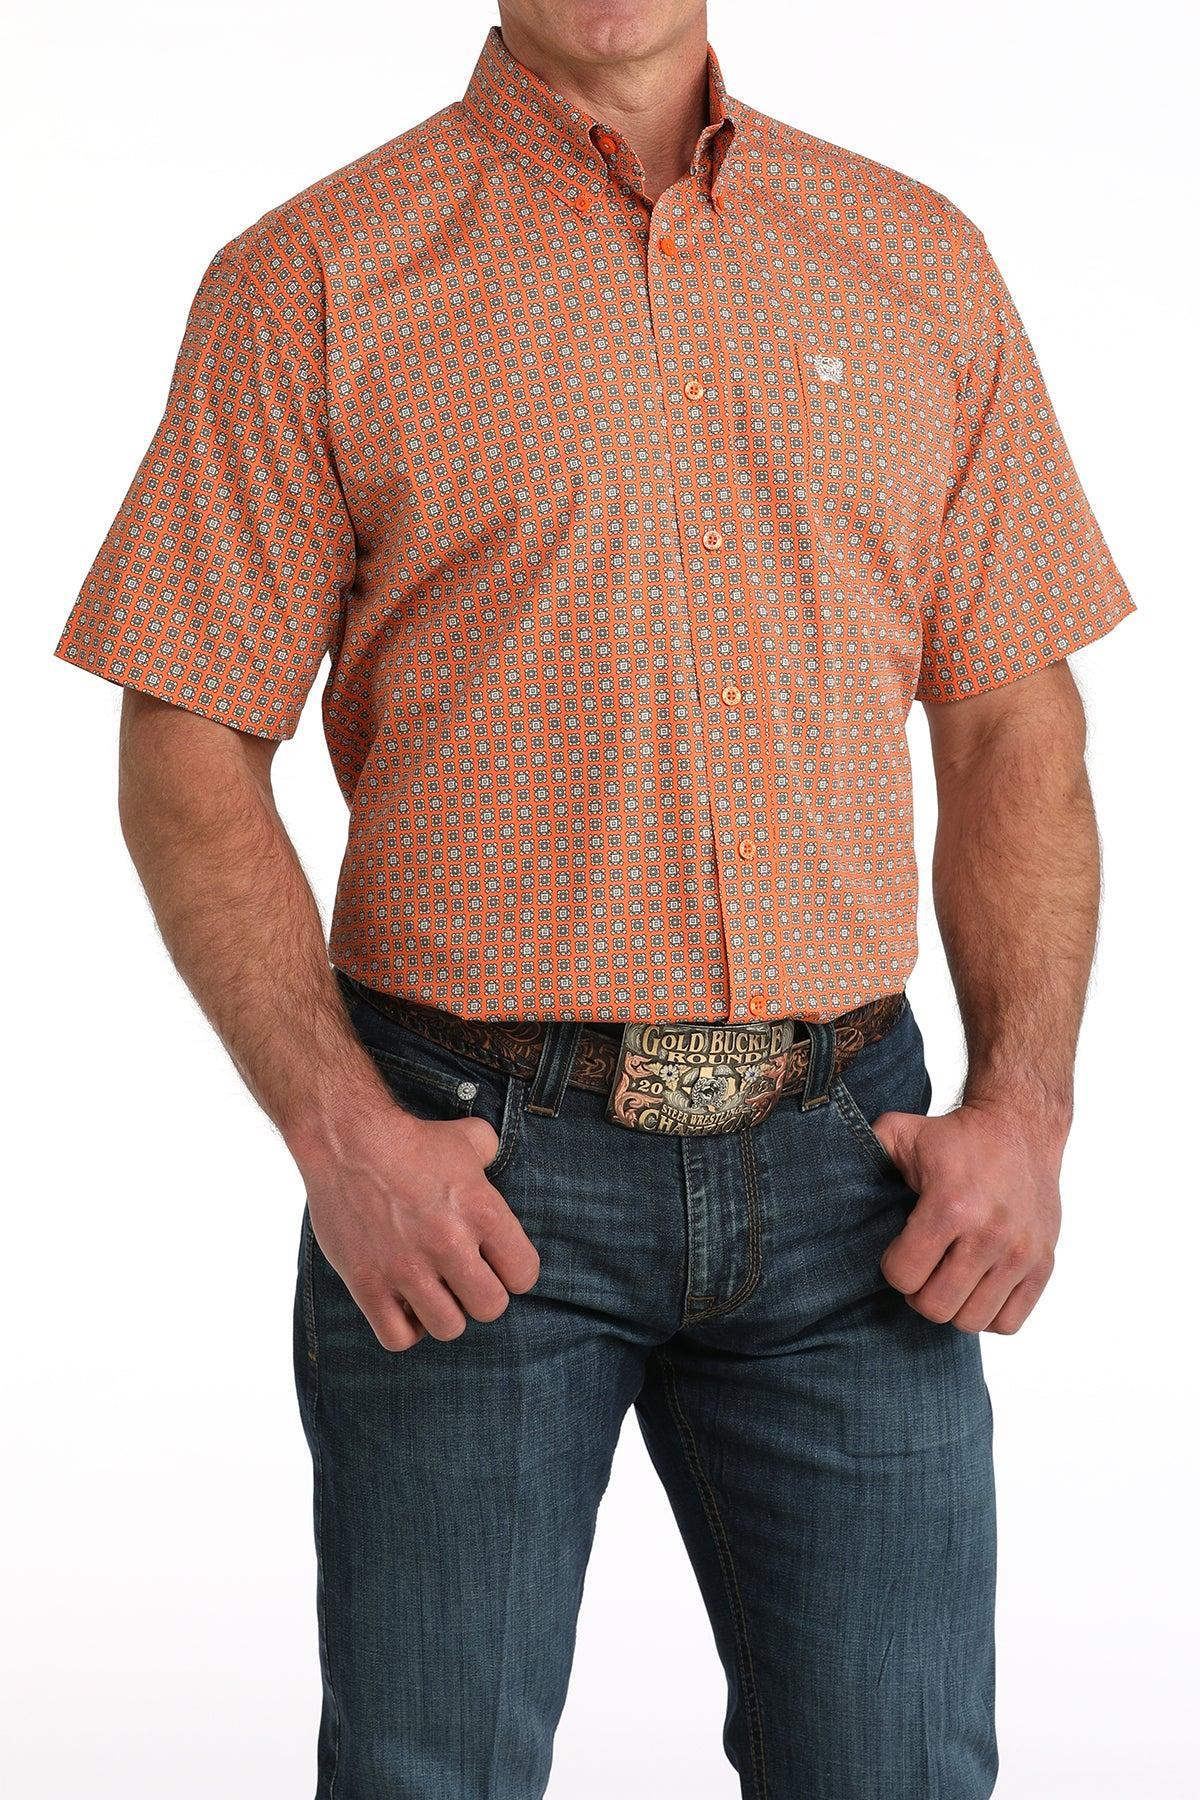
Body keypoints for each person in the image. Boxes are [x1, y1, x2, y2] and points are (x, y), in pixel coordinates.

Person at [53, 3, 1134, 1795]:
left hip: (851, 1179)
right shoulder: (314, 275)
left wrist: (1025, 1105)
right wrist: (340, 1135)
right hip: (471, 1178)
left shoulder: (915, 259)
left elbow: (1018, 719)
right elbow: (185, 743)